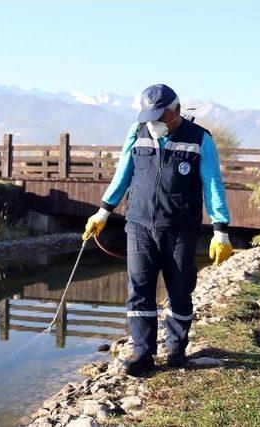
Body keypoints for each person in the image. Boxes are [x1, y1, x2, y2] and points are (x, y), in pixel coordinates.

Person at [83, 84, 233, 375]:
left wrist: (221, 231)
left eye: (160, 115)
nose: (154, 122)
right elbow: (123, 173)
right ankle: (142, 352)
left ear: (176, 110)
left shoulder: (200, 139)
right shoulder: (136, 133)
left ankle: (176, 349)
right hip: (138, 225)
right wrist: (103, 212)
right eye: (149, 115)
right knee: (139, 290)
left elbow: (213, 185)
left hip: (180, 228)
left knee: (180, 289)